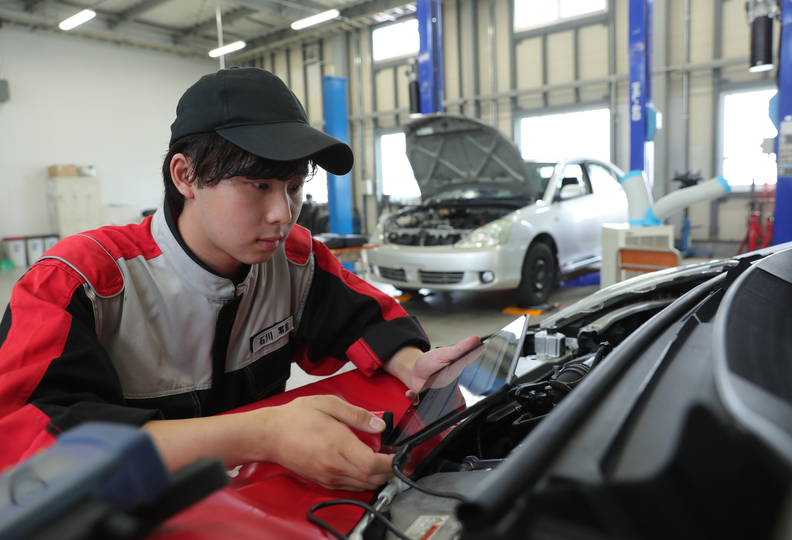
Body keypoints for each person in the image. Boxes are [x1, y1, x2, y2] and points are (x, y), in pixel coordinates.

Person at [0, 67, 479, 491]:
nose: (282, 214)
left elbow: (369, 320)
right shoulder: (79, 282)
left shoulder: (295, 260)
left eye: (294, 188)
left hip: (253, 505)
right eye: (258, 186)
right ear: (185, 176)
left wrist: (412, 363)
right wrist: (262, 436)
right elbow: (29, 440)